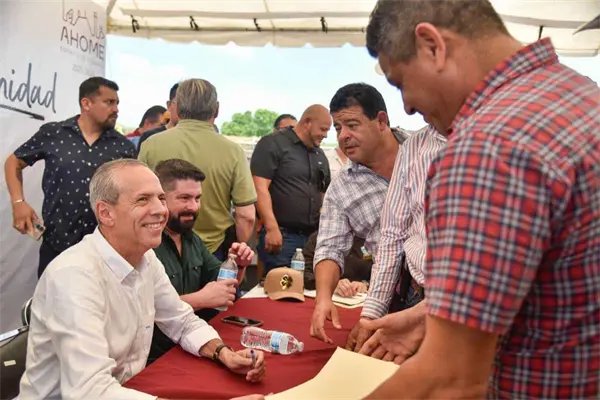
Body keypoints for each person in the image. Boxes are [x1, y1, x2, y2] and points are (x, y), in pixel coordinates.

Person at [361, 0, 600, 399]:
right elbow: (557, 277)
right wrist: (431, 315)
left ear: (432, 45)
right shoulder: (581, 96)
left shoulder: (486, 147)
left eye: (400, 83)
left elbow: (450, 380)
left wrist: (443, 348)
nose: (407, 107)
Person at [19, 159, 266, 399]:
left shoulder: (146, 259)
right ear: (105, 213)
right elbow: (90, 391)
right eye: (142, 199)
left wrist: (224, 353)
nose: (160, 210)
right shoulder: (73, 277)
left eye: (161, 198)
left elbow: (182, 322)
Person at [4, 77, 137, 277]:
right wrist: (18, 202)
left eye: (117, 103)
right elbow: (13, 162)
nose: (116, 109)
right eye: (109, 102)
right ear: (86, 103)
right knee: (51, 296)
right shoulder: (54, 134)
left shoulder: (123, 147)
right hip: (57, 246)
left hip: (106, 252)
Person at [309, 83, 408, 344]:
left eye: (352, 125)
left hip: (453, 286)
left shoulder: (424, 151)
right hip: (392, 294)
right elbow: (330, 247)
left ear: (381, 121)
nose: (343, 136)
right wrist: (323, 298)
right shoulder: (341, 188)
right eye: (338, 128)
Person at [346, 125, 446, 356]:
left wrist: (434, 310)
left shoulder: (502, 136)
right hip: (418, 295)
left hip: (477, 305)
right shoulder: (414, 146)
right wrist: (372, 313)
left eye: (352, 125)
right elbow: (392, 235)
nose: (408, 110)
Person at [148, 158, 255, 362]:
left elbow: (224, 287)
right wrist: (200, 299)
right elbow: (141, 312)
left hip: (195, 345)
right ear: (161, 199)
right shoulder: (145, 246)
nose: (194, 207)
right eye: (184, 198)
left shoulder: (192, 239)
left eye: (197, 198)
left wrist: (238, 265)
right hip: (158, 357)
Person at [139, 79, 257, 261]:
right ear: (216, 110)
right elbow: (246, 215)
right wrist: (239, 251)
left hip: (160, 250)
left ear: (177, 108)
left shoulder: (151, 145)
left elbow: (139, 199)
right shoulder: (233, 152)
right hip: (214, 249)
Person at [251, 105, 332, 276]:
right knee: (281, 287)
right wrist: (272, 228)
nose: (325, 135)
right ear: (307, 122)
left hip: (312, 239)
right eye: (323, 129)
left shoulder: (320, 155)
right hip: (282, 236)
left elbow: (324, 194)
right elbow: (259, 188)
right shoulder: (273, 144)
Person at [303, 232, 372, 296]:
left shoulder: (370, 240)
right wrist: (331, 284)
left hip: (359, 298)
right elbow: (305, 274)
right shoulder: (319, 237)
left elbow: (376, 276)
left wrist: (366, 285)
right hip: (324, 295)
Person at [137, 83, 180, 151]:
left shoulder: (195, 138)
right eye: (182, 103)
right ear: (169, 105)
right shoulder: (149, 138)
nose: (188, 108)